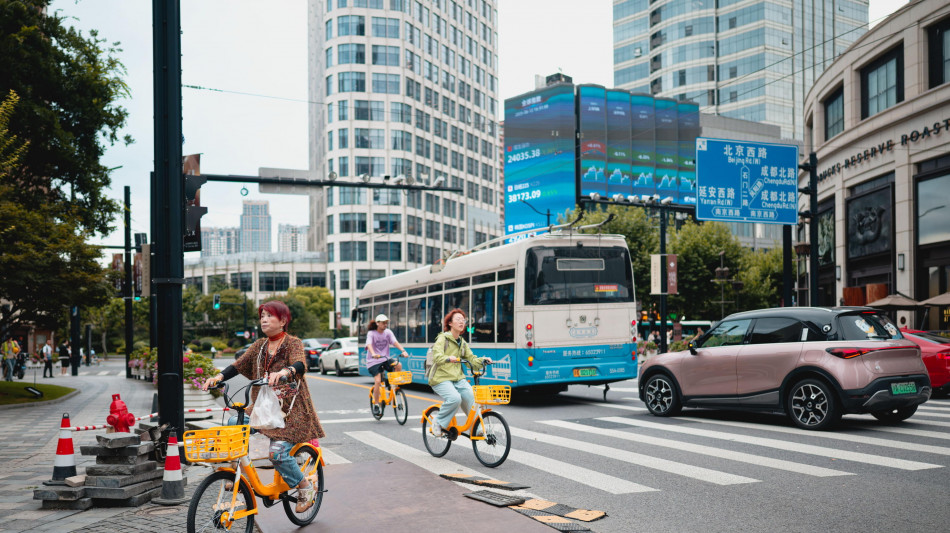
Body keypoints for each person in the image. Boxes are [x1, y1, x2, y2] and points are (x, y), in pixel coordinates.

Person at [201, 300, 324, 513]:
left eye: (269, 315)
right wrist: (218, 376)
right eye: (262, 316)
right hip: (263, 407)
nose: (264, 320)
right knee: (233, 424)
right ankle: (236, 473)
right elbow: (238, 365)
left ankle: (305, 487)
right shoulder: (259, 346)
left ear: (283, 320)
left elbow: (299, 364)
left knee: (277, 453)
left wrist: (285, 372)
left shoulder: (293, 343)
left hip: (289, 411)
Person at [427, 308, 492, 436]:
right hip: (440, 378)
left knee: (473, 398)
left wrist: (483, 360)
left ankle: (477, 429)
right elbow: (437, 356)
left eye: (463, 320)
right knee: (454, 398)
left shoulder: (462, 343)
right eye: (458, 319)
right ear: (450, 323)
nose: (461, 322)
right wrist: (448, 358)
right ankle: (438, 423)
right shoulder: (442, 339)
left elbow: (471, 360)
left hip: (457, 378)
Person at [365, 314, 409, 415]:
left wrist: (403, 350)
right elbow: (369, 344)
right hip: (373, 361)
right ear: (377, 323)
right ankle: (376, 404)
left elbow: (395, 342)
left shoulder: (388, 332)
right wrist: (373, 354)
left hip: (385, 358)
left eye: (386, 323)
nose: (385, 324)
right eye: (383, 323)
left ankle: (393, 386)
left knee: (398, 365)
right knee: (377, 381)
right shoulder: (371, 333)